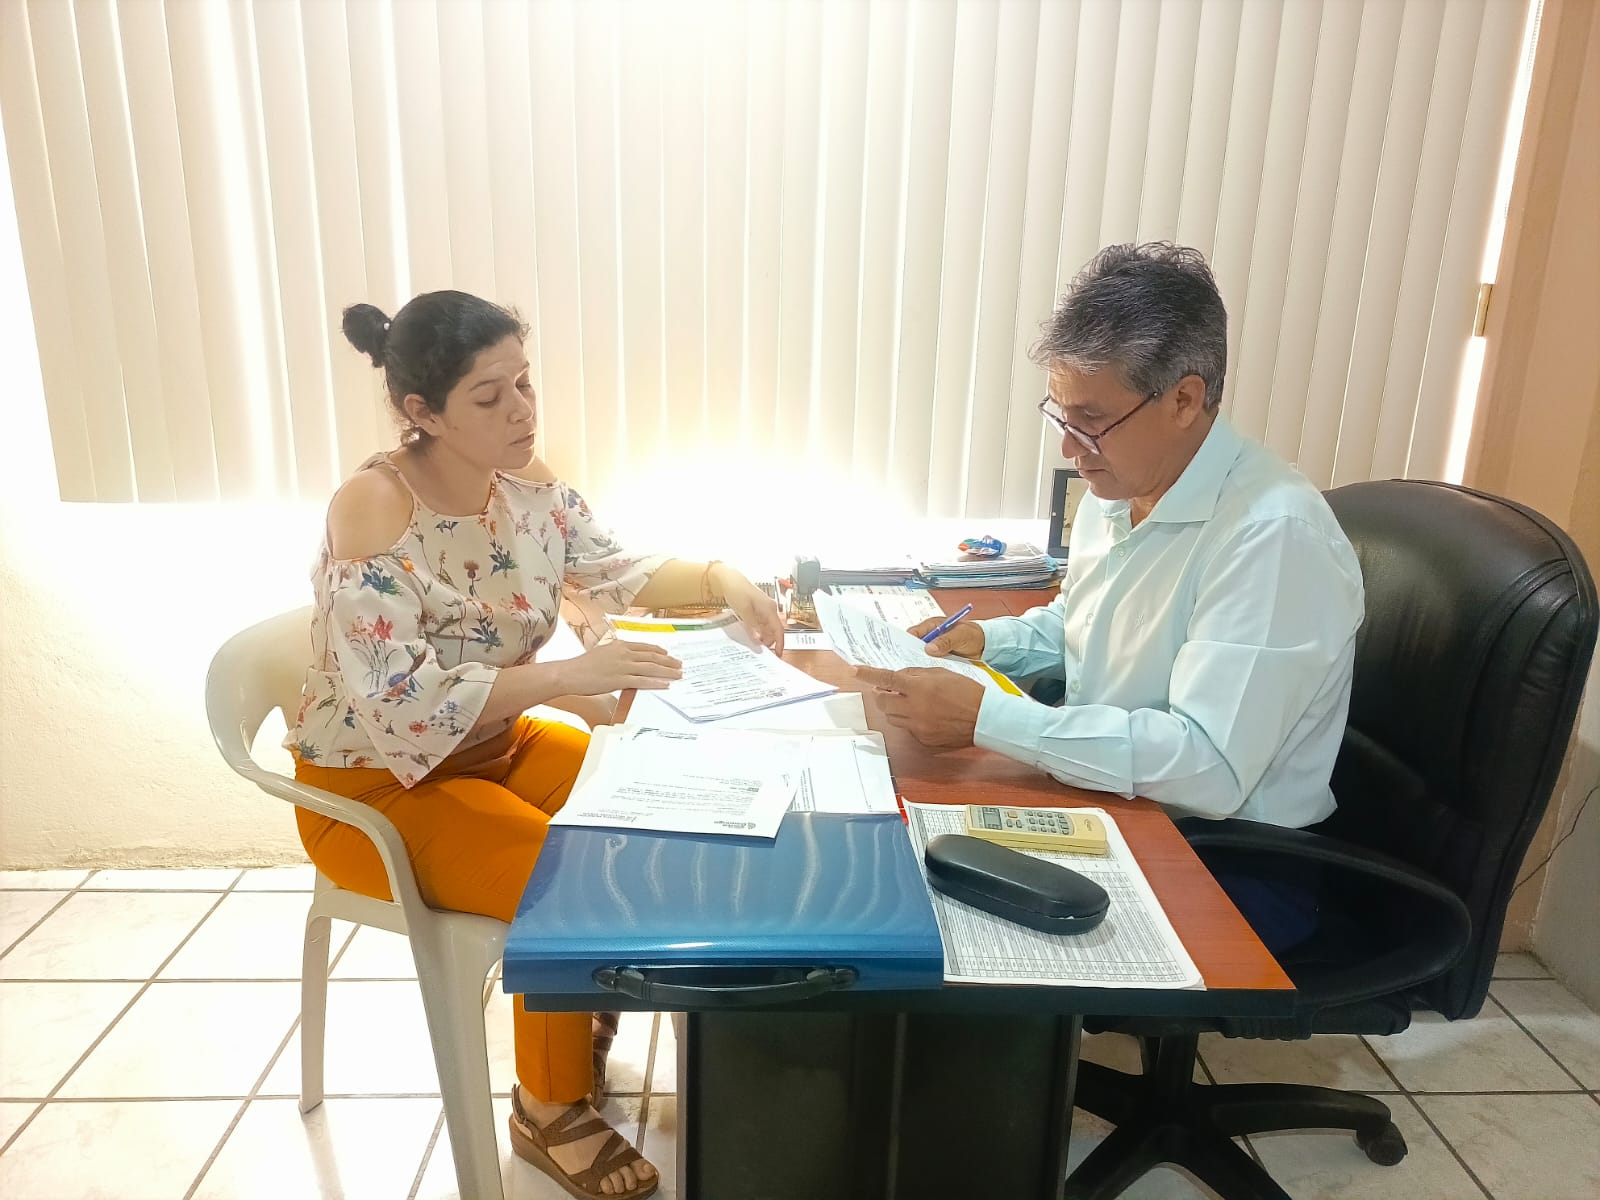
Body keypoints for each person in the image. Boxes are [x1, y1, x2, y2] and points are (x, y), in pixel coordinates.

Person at [287, 289, 783, 1200]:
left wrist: (723, 577)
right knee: (565, 883)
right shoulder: (372, 509)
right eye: (490, 396)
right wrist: (568, 680)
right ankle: (546, 1109)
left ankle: (578, 1005)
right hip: (376, 791)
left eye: (524, 382)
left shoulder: (524, 484)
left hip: (492, 746)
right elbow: (401, 707)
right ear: (423, 412)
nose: (522, 410)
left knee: (646, 808)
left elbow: (614, 570)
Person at [857, 243, 1364, 954]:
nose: (1071, 449)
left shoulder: (1272, 535)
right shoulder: (1120, 490)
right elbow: (1084, 623)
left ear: (1184, 399)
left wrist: (986, 720)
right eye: (1061, 416)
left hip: (1226, 856)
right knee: (895, 868)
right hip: (1117, 801)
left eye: (1091, 421)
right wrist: (987, 641)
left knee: (948, 938)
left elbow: (1209, 767)